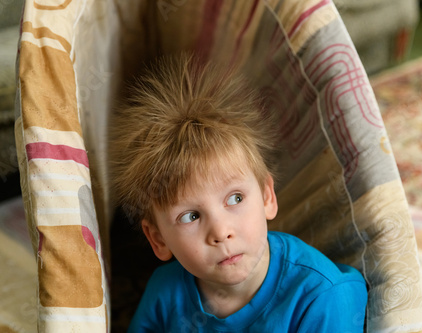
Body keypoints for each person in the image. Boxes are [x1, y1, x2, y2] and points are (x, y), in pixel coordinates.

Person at [109, 54, 368, 332]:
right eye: (190, 216)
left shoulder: (322, 297)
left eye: (235, 199)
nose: (221, 232)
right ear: (158, 239)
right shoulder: (165, 292)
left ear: (267, 196)